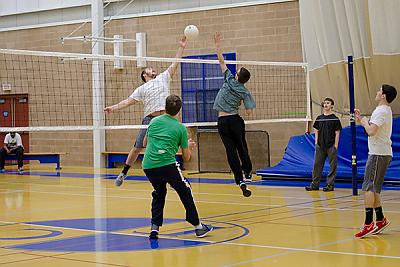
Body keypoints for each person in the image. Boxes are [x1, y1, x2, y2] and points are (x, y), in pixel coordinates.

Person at [104, 36, 188, 186]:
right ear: (144, 74)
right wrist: (113, 108)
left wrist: (181, 47)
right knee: (137, 148)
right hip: (150, 120)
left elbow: (175, 63)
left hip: (167, 119)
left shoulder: (163, 78)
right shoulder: (141, 89)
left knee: (169, 147)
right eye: (149, 69)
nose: (152, 68)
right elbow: (127, 102)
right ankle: (123, 173)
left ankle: (175, 178)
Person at [143, 94, 213, 239]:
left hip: (148, 165)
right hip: (167, 165)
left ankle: (154, 228)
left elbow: (145, 143)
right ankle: (198, 227)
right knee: (185, 190)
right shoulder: (180, 128)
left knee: (159, 192)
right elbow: (186, 157)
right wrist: (189, 146)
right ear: (179, 110)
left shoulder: (154, 121)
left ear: (165, 107)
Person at [213, 32, 256, 197]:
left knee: (231, 151)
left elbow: (221, 61)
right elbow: (249, 112)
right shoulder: (245, 91)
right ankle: (248, 172)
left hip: (223, 121)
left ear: (237, 76)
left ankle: (240, 180)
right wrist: (241, 103)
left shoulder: (229, 79)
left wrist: (217, 45)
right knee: (241, 147)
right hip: (236, 121)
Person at [354, 84, 397, 238]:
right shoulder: (385, 110)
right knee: (374, 188)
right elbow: (373, 128)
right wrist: (362, 121)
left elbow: (371, 131)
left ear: (384, 95)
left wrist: (365, 122)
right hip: (383, 153)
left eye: (379, 90)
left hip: (378, 154)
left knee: (368, 188)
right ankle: (380, 219)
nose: (377, 92)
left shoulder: (381, 111)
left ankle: (368, 223)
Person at [305, 98, 342, 192]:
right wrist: (316, 142)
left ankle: (330, 185)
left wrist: (336, 145)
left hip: (331, 146)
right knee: (317, 165)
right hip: (320, 146)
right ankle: (314, 185)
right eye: (324, 103)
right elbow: (316, 130)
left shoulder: (335, 118)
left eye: (328, 103)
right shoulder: (319, 118)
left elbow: (337, 132)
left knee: (332, 166)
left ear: (332, 106)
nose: (325, 105)